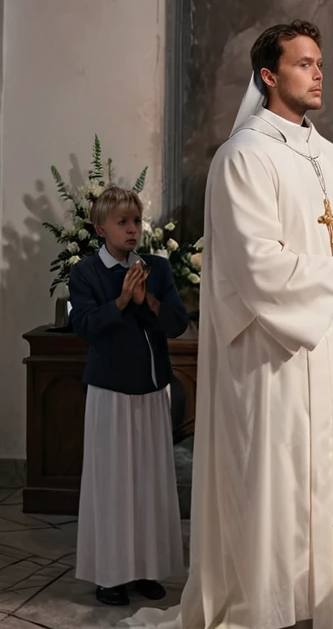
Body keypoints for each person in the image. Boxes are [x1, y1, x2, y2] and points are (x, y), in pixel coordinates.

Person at [126, 20, 333, 629]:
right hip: (276, 355)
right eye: (304, 63)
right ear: (269, 76)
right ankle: (275, 606)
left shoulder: (331, 156)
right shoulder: (243, 155)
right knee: (280, 482)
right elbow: (254, 263)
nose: (318, 72)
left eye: (319, 63)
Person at [69, 187, 188, 608]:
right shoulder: (86, 273)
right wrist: (121, 300)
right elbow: (83, 325)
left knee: (150, 484)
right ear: (102, 228)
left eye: (136, 221)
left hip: (152, 390)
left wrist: (146, 300)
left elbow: (177, 324)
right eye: (123, 223)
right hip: (110, 393)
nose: (133, 229)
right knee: (113, 485)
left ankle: (146, 568)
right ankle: (110, 575)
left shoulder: (156, 268)